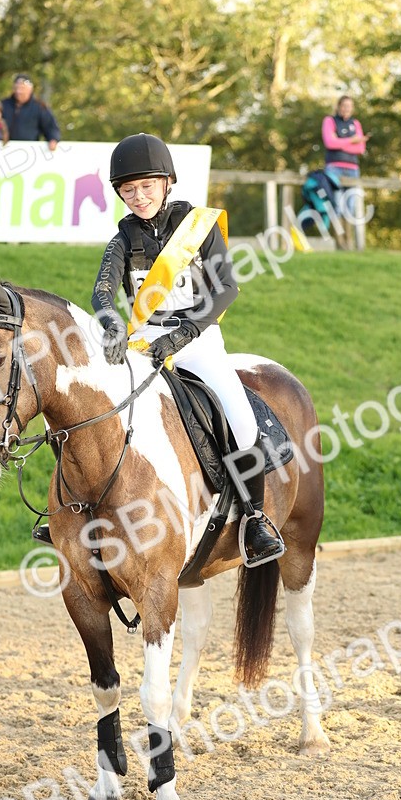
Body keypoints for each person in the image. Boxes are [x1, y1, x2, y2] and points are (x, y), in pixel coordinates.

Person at [91, 133, 284, 567]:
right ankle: (77, 512)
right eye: (128, 189)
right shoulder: (122, 240)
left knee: (238, 414)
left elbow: (227, 288)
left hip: (198, 340)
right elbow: (102, 292)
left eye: (146, 186)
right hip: (144, 345)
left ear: (166, 182)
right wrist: (108, 322)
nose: (138, 197)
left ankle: (255, 519)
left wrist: (183, 335)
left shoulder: (198, 227)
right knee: (93, 408)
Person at [322, 95, 370, 249]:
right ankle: (339, 243)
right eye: (344, 105)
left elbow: (361, 148)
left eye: (349, 106)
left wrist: (340, 142)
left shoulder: (355, 124)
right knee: (336, 204)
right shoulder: (329, 121)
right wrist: (352, 141)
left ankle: (348, 243)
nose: (346, 109)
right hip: (334, 168)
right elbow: (329, 143)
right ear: (338, 106)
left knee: (349, 205)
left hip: (352, 169)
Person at [0, 74, 59, 150]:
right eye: (16, 88)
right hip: (3, 150)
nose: (18, 91)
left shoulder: (39, 107)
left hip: (30, 150)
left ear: (30, 89)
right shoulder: (3, 105)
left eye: (22, 88)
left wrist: (53, 139)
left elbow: (51, 126)